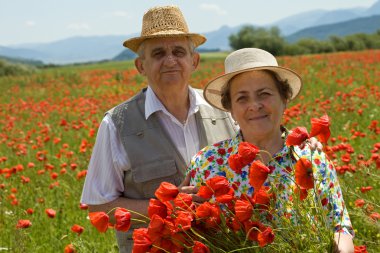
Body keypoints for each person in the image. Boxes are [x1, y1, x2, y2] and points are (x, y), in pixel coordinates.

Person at [80, 5, 238, 253]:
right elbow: (99, 209)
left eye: (178, 51)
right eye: (158, 53)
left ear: (194, 61)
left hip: (222, 246)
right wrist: (164, 206)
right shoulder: (117, 123)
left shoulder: (223, 109)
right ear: (140, 66)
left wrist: (302, 145)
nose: (170, 60)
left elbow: (261, 151)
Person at [180, 48, 354, 253]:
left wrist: (342, 246)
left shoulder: (312, 158)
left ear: (284, 98)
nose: (254, 105)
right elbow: (194, 235)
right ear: (231, 110)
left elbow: (340, 225)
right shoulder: (207, 163)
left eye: (264, 94)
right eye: (242, 98)